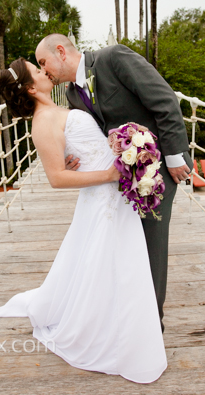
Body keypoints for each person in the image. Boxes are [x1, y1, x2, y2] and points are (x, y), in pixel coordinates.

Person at [0, 57, 167, 384]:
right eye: (38, 70)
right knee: (113, 261)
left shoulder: (61, 106)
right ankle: (111, 333)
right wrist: (111, 173)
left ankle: (126, 324)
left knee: (120, 262)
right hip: (104, 194)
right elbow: (56, 178)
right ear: (31, 87)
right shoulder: (42, 122)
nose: (45, 72)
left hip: (115, 192)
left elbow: (79, 149)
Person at [35, 34, 191, 333]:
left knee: (152, 243)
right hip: (121, 176)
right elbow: (96, 134)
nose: (44, 71)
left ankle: (150, 326)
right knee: (129, 243)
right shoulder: (71, 95)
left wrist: (173, 154)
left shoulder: (114, 58)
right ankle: (129, 312)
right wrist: (73, 158)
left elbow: (164, 99)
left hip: (157, 165)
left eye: (44, 63)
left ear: (60, 52)